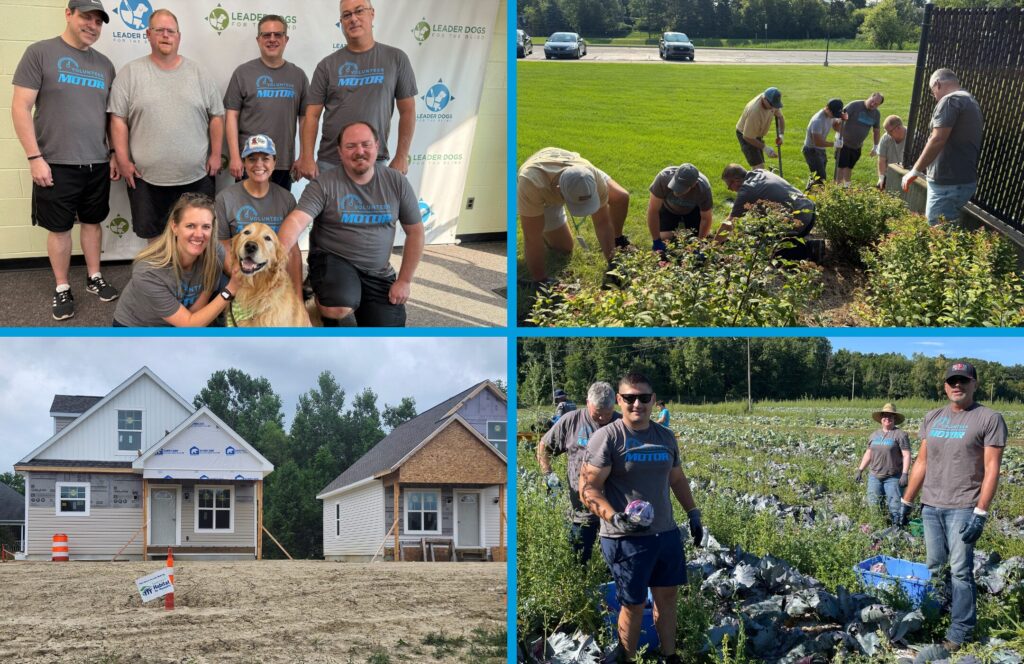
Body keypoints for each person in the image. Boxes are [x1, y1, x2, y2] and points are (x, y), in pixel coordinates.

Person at [580, 372, 703, 663]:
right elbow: (588, 488)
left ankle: (669, 655)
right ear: (619, 400)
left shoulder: (665, 437)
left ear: (654, 401)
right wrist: (615, 517)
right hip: (625, 539)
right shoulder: (607, 438)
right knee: (633, 604)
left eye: (644, 398)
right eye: (630, 398)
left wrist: (693, 513)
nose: (638, 404)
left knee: (667, 597)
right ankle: (627, 657)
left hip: (665, 533)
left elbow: (677, 479)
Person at [11, 0, 120, 320]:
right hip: (55, 162)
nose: (92, 25)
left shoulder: (105, 65)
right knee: (58, 229)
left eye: (98, 21)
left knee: (92, 222)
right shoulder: (40, 53)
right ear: (69, 14)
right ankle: (61, 286)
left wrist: (112, 153)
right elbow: (20, 107)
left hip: (97, 162)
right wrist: (34, 157)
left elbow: (109, 116)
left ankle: (93, 277)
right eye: (86, 17)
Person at [899, 362, 1006, 652]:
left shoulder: (988, 418)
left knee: (960, 570)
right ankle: (941, 614)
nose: (957, 386)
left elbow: (992, 468)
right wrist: (907, 499)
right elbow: (922, 461)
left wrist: (980, 513)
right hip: (931, 505)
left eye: (963, 381)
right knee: (935, 566)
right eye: (952, 381)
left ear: (974, 384)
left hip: (963, 506)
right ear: (945, 386)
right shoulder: (933, 417)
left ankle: (961, 633)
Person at [277, 121, 423, 327]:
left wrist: (405, 281)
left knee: (389, 333)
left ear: (377, 146)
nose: (359, 151)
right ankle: (321, 294)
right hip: (335, 259)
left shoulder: (396, 182)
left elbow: (415, 232)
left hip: (378, 272)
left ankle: (359, 298)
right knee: (338, 306)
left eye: (366, 144)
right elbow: (296, 220)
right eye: (351, 146)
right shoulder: (323, 184)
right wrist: (276, 255)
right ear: (340, 152)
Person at [108, 8, 224, 242]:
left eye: (171, 31)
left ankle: (194, 279)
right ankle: (159, 279)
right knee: (154, 240)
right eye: (159, 30)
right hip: (145, 178)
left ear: (178, 37)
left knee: (197, 238)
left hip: (197, 176)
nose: (165, 35)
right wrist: (122, 159)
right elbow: (118, 119)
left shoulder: (199, 73)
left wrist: (216, 154)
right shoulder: (130, 74)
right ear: (148, 34)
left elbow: (217, 116)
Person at [296, 0, 416, 179]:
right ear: (341, 22)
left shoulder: (396, 59)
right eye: (346, 15)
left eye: (359, 11)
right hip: (330, 162)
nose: (353, 19)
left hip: (374, 161)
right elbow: (312, 115)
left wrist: (401, 156)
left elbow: (408, 111)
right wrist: (306, 156)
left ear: (372, 13)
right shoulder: (327, 65)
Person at [113, 193, 240, 327]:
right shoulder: (148, 271)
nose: (199, 234)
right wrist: (230, 290)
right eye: (190, 226)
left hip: (183, 322)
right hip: (139, 328)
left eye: (206, 227)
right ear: (175, 227)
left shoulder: (215, 253)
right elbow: (188, 325)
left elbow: (196, 311)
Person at [518, 147, 630, 282]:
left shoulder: (592, 176)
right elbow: (531, 236)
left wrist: (613, 263)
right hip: (544, 191)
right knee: (564, 247)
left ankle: (618, 239)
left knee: (620, 196)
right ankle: (547, 236)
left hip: (575, 169)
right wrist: (540, 279)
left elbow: (603, 222)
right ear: (559, 190)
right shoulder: (531, 183)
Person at [223, 14, 309, 191]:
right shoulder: (243, 73)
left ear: (286, 39)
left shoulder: (298, 76)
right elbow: (231, 116)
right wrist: (235, 157)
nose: (272, 39)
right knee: (246, 216)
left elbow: (306, 120)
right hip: (250, 161)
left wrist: (304, 156)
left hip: (283, 163)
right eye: (266, 35)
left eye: (277, 35)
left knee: (281, 216)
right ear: (258, 39)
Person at [537, 381, 619, 564]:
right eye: (597, 414)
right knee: (580, 563)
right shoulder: (571, 421)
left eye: (608, 414)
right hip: (581, 514)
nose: (603, 419)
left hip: (614, 512)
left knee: (613, 568)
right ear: (587, 402)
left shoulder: (621, 424)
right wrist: (548, 473)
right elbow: (543, 446)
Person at [215, 134, 302, 302]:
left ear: (274, 163)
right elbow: (223, 245)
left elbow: (293, 252)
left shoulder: (287, 199)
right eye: (252, 159)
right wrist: (240, 275)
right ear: (244, 163)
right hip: (237, 271)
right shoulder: (225, 198)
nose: (259, 165)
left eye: (265, 159)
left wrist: (298, 299)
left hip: (271, 274)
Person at [901, 69, 984, 226]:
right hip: (959, 181)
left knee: (939, 235)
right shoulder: (970, 100)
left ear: (937, 84)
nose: (934, 97)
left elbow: (937, 139)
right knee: (947, 232)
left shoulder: (950, 101)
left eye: (932, 92)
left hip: (948, 184)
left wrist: (915, 171)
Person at [720, 164, 817, 260]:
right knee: (758, 228)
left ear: (736, 180)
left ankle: (811, 249)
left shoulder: (747, 190)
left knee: (763, 250)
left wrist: (713, 246)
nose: (730, 190)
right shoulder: (760, 172)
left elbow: (729, 223)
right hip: (810, 211)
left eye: (729, 186)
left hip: (800, 222)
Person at [855, 403, 911, 525]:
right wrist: (860, 469)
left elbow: (906, 455)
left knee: (895, 507)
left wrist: (905, 473)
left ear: (894, 419)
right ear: (881, 419)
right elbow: (868, 453)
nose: (887, 418)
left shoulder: (900, 435)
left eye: (890, 416)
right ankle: (878, 526)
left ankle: (896, 529)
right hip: (874, 476)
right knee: (874, 505)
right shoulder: (874, 435)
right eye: (884, 415)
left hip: (893, 477)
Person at [647, 163, 714, 251]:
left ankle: (686, 231)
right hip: (668, 209)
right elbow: (653, 210)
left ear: (694, 184)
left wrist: (699, 244)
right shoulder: (663, 178)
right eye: (676, 185)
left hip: (692, 210)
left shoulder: (703, 188)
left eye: (681, 188)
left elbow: (706, 218)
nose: (676, 191)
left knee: (701, 237)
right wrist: (656, 241)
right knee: (662, 237)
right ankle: (684, 232)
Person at [836, 92, 884, 185]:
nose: (873, 104)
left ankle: (846, 187)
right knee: (841, 166)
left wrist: (875, 147)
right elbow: (840, 119)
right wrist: (839, 136)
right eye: (872, 101)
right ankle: (837, 187)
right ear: (869, 97)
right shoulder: (854, 105)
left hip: (857, 146)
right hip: (844, 143)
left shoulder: (876, 114)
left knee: (850, 166)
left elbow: (876, 131)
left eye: (876, 104)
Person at [735, 87, 785, 171]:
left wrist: (781, 135)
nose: (773, 108)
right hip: (746, 135)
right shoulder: (755, 111)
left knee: (759, 167)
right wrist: (766, 148)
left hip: (756, 134)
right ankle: (746, 182)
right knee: (759, 168)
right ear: (764, 99)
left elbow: (780, 117)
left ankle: (754, 180)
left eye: (775, 105)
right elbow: (747, 137)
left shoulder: (771, 102)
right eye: (772, 105)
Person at [802, 98, 845, 189]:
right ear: (827, 108)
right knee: (820, 179)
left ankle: (808, 194)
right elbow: (817, 142)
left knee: (816, 176)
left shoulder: (830, 115)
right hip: (812, 151)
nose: (834, 116)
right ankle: (816, 198)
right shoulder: (818, 121)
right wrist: (834, 144)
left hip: (820, 150)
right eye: (833, 114)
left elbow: (835, 126)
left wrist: (841, 122)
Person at [876, 115, 906, 190]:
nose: (887, 134)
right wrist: (881, 177)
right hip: (889, 174)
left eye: (889, 131)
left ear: (898, 128)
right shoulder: (886, 137)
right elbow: (882, 159)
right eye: (886, 131)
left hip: (906, 175)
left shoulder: (914, 137)